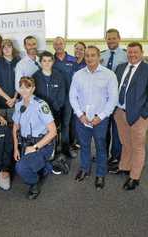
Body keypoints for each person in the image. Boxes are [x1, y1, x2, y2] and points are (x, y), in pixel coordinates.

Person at [113, 42, 148, 190]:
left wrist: (144, 113)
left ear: (141, 53)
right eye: (130, 52)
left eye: (135, 52)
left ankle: (134, 177)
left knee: (138, 146)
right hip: (120, 112)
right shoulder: (120, 68)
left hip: (139, 115)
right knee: (125, 143)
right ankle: (124, 167)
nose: (132, 55)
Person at [69, 46, 118, 190]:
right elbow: (73, 96)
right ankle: (85, 169)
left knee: (101, 147)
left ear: (99, 57)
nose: (89, 58)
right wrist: (79, 114)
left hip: (100, 119)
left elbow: (113, 99)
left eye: (93, 55)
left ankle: (100, 174)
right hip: (82, 118)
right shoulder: (78, 75)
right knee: (84, 146)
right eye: (87, 56)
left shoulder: (109, 75)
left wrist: (101, 117)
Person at [12, 76, 57, 199]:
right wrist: (16, 148)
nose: (24, 90)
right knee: (22, 164)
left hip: (42, 145)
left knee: (21, 167)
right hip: (26, 144)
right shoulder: (18, 105)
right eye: (21, 87)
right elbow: (15, 128)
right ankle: (48, 167)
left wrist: (35, 147)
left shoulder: (40, 105)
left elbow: (53, 132)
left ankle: (35, 182)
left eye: (28, 87)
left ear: (33, 89)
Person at [32, 51, 66, 174]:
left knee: (53, 137)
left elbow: (62, 95)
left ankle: (53, 160)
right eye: (44, 61)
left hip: (54, 113)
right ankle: (41, 161)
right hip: (39, 114)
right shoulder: (34, 76)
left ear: (53, 62)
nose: (47, 63)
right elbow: (32, 95)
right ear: (40, 62)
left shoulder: (59, 76)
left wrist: (55, 107)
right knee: (41, 136)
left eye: (49, 60)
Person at [100, 28, 128, 168]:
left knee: (117, 130)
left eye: (113, 38)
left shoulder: (125, 55)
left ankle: (116, 157)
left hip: (118, 100)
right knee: (103, 129)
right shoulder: (102, 55)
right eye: (108, 38)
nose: (111, 41)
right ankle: (102, 154)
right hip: (103, 100)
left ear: (119, 38)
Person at [52, 36, 77, 158]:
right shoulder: (50, 60)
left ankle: (66, 148)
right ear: (53, 46)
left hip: (68, 98)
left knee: (66, 124)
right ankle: (54, 149)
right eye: (56, 44)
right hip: (54, 98)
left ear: (65, 44)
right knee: (54, 125)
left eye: (60, 43)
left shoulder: (73, 60)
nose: (58, 46)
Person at [0, 39, 20, 123]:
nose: (7, 49)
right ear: (1, 50)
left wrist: (14, 98)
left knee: (15, 128)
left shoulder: (18, 62)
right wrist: (8, 98)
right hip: (0, 103)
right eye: (4, 47)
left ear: (13, 48)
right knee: (1, 128)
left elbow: (20, 82)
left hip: (15, 103)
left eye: (9, 46)